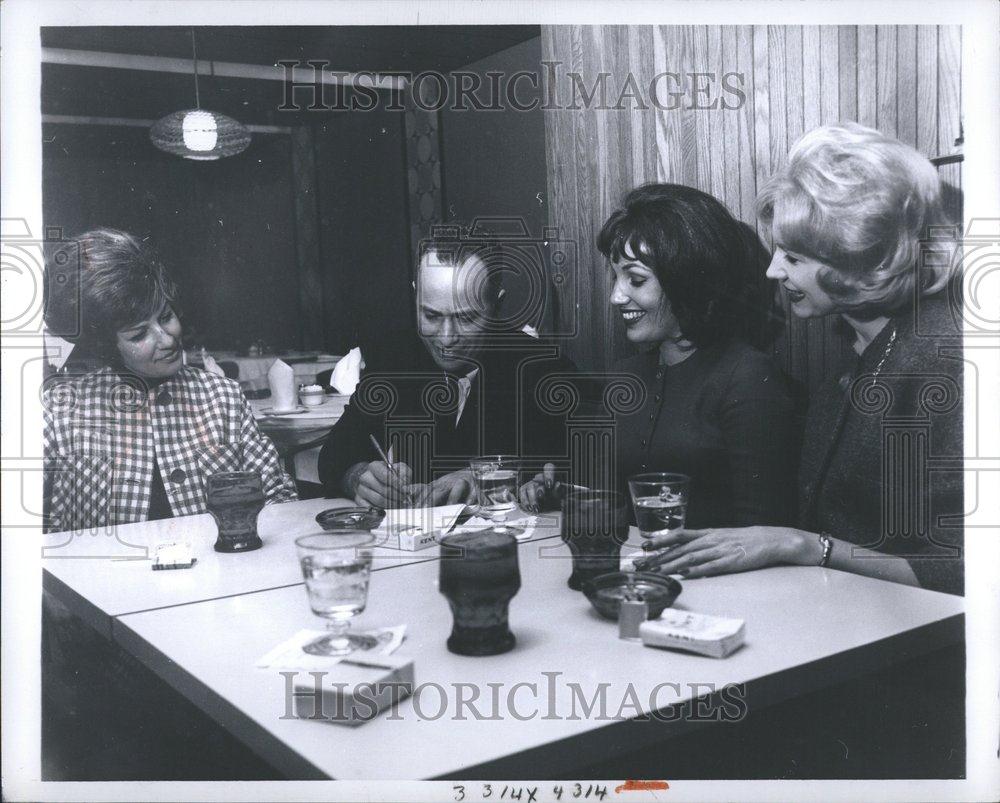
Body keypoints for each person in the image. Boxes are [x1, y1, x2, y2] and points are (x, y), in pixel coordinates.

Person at [642, 123, 964, 595]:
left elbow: (966, 569)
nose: (773, 270)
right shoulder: (864, 352)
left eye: (792, 257)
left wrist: (808, 545)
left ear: (865, 262)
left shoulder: (947, 360)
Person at [521, 183, 800, 528]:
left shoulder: (748, 378)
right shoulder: (626, 376)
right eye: (616, 277)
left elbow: (768, 532)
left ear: (688, 281)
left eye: (635, 280)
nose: (616, 297)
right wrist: (564, 495)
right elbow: (616, 505)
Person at [43, 228, 296, 532]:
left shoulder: (223, 399)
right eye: (139, 334)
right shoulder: (63, 412)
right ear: (105, 347)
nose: (167, 338)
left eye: (165, 317)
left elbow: (279, 498)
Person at [318, 230, 577, 508]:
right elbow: (335, 454)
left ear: (497, 305)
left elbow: (571, 466)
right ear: (416, 296)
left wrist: (486, 477)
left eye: (466, 318)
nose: (446, 338)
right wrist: (358, 478)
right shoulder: (396, 357)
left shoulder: (543, 368)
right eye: (431, 315)